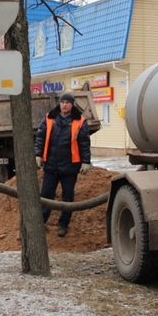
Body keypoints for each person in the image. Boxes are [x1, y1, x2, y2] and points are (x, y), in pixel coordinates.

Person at [34, 92, 91, 237]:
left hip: (70, 167)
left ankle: (63, 225)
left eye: (67, 102)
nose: (64, 105)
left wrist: (86, 161)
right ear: (59, 103)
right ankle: (40, 223)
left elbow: (84, 143)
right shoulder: (49, 118)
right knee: (46, 195)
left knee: (68, 197)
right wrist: (38, 155)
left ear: (72, 105)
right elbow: (40, 137)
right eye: (62, 102)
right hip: (51, 165)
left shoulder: (80, 121)